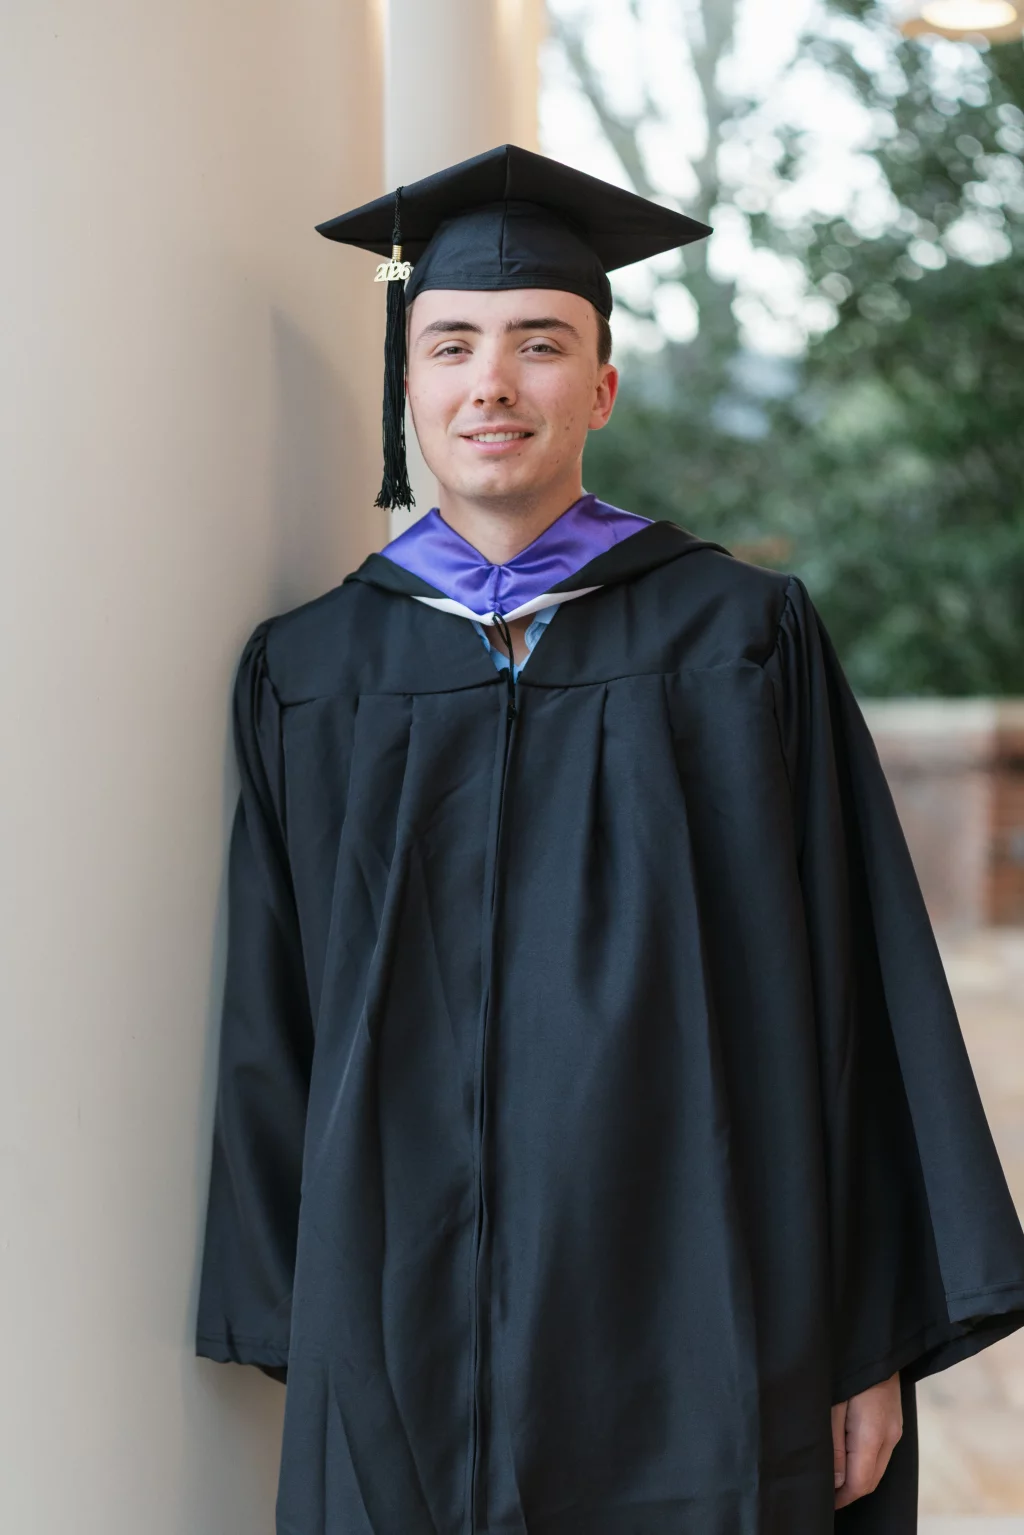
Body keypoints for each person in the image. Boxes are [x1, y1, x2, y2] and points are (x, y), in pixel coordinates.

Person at [195, 145, 1024, 1535]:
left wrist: (864, 1332)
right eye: (451, 344)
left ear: (604, 385)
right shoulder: (315, 671)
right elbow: (272, 1016)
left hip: (703, 1312)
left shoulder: (739, 640)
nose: (491, 382)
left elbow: (855, 995)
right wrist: (297, 1312)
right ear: (409, 381)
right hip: (402, 1326)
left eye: (540, 344)